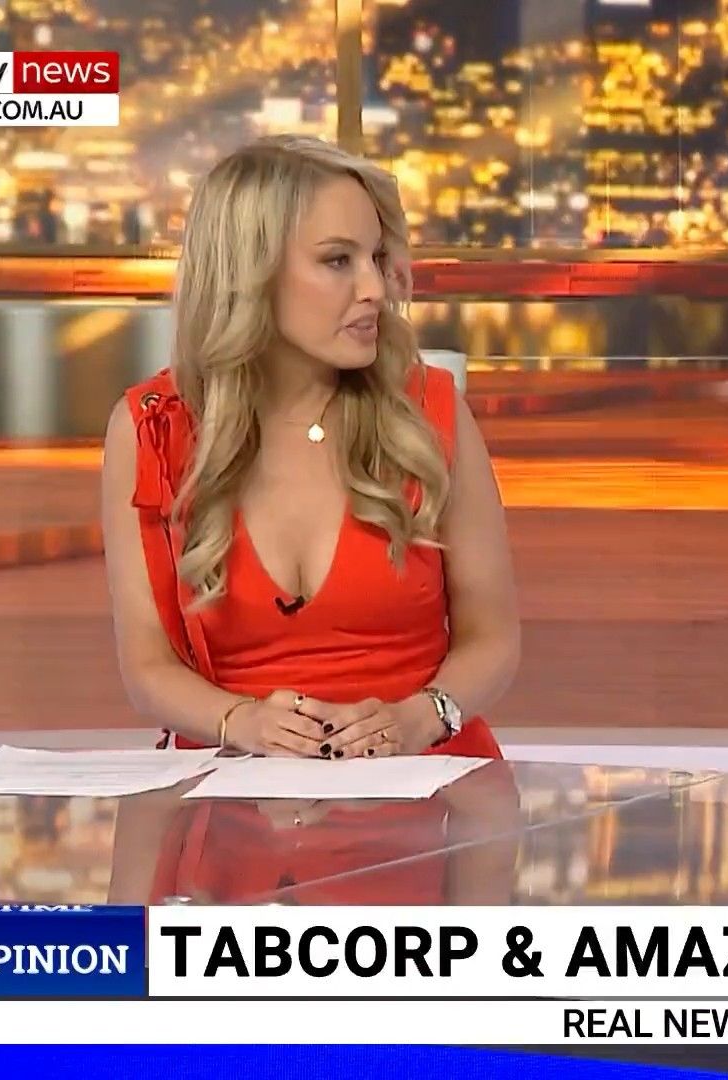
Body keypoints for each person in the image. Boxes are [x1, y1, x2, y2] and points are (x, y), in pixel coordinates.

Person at [101, 134, 520, 760]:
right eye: (338, 260)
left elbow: (493, 640)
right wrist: (240, 722)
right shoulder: (153, 429)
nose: (374, 288)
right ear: (251, 273)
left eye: (377, 257)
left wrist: (422, 717)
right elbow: (147, 667)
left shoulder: (427, 410)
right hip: (232, 787)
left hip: (422, 776)